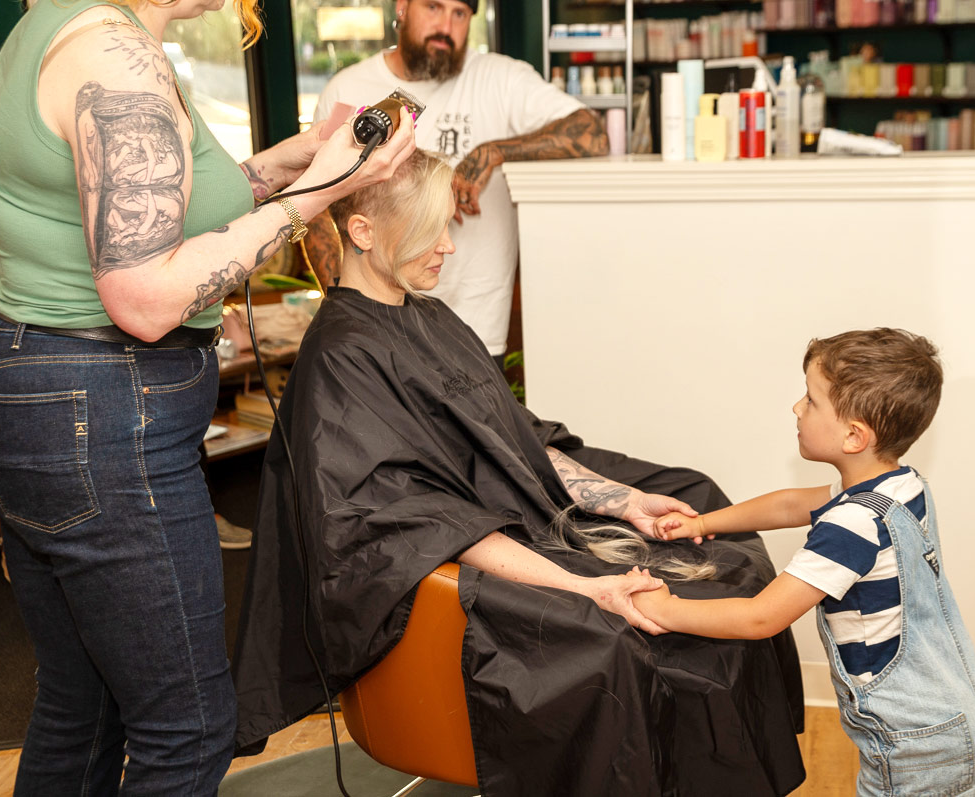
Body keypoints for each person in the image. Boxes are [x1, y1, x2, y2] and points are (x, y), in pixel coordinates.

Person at [232, 149, 808, 796]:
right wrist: (586, 586)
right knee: (623, 630)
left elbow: (513, 440)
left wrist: (622, 503)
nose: (448, 247)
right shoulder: (341, 358)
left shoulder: (428, 317)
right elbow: (418, 525)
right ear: (361, 232)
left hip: (501, 523)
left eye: (448, 225)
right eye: (430, 230)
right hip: (440, 582)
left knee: (699, 509)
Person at [0, 0, 417, 790]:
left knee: (81, 705)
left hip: (39, 395)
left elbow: (142, 211)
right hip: (105, 413)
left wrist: (285, 166)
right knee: (188, 729)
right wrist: (321, 194)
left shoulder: (58, 22)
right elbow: (145, 296)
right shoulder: (120, 62)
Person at [635, 328, 975, 796]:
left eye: (810, 400)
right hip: (956, 711)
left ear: (853, 435)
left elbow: (761, 617)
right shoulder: (899, 488)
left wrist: (665, 610)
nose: (796, 408)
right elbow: (790, 505)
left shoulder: (852, 527)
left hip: (918, 744)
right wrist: (703, 522)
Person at [312, 0, 609, 367]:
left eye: (460, 14)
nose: (446, 27)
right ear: (402, 6)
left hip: (476, 327)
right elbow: (315, 208)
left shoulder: (502, 79)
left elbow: (592, 133)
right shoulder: (348, 89)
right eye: (434, 7)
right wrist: (349, 310)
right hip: (377, 332)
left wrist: (494, 151)